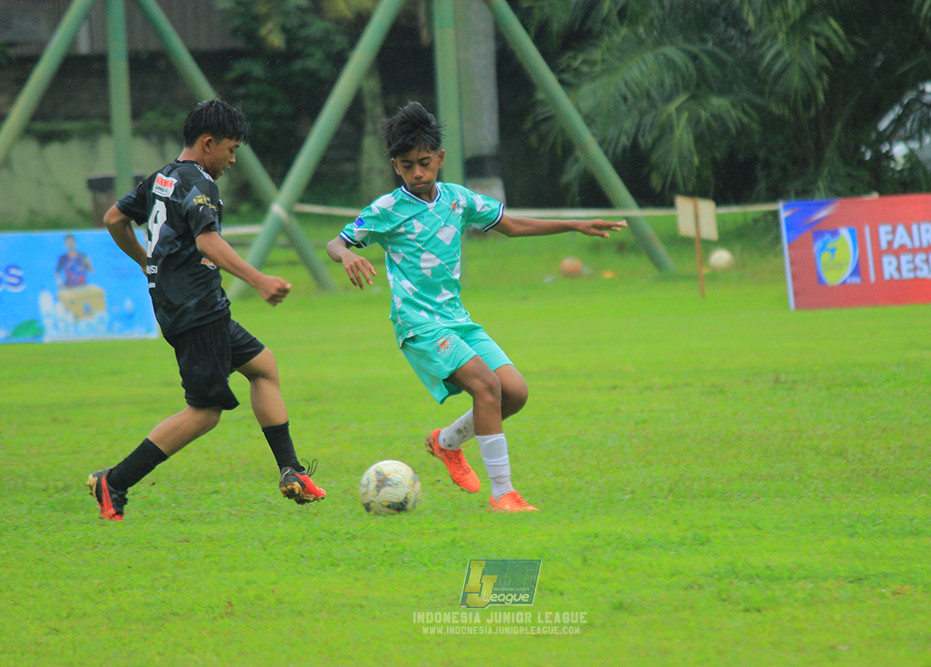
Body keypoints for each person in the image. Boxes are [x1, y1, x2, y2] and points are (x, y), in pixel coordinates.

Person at [326, 101, 625, 513]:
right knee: (486, 387)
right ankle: (503, 494)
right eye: (408, 165)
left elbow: (513, 226)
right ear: (396, 166)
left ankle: (446, 442)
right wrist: (345, 256)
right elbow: (336, 242)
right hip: (419, 325)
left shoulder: (458, 199)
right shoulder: (386, 210)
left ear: (440, 159)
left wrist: (574, 224)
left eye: (425, 163)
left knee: (514, 393)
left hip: (457, 320)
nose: (418, 172)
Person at [88, 99, 325, 521]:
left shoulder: (162, 178)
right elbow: (207, 242)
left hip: (193, 305)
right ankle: (115, 481)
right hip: (195, 307)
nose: (232, 160)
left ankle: (291, 470)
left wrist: (147, 261)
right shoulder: (200, 183)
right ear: (208, 142)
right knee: (204, 412)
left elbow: (113, 219)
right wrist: (260, 280)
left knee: (264, 367)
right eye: (230, 150)